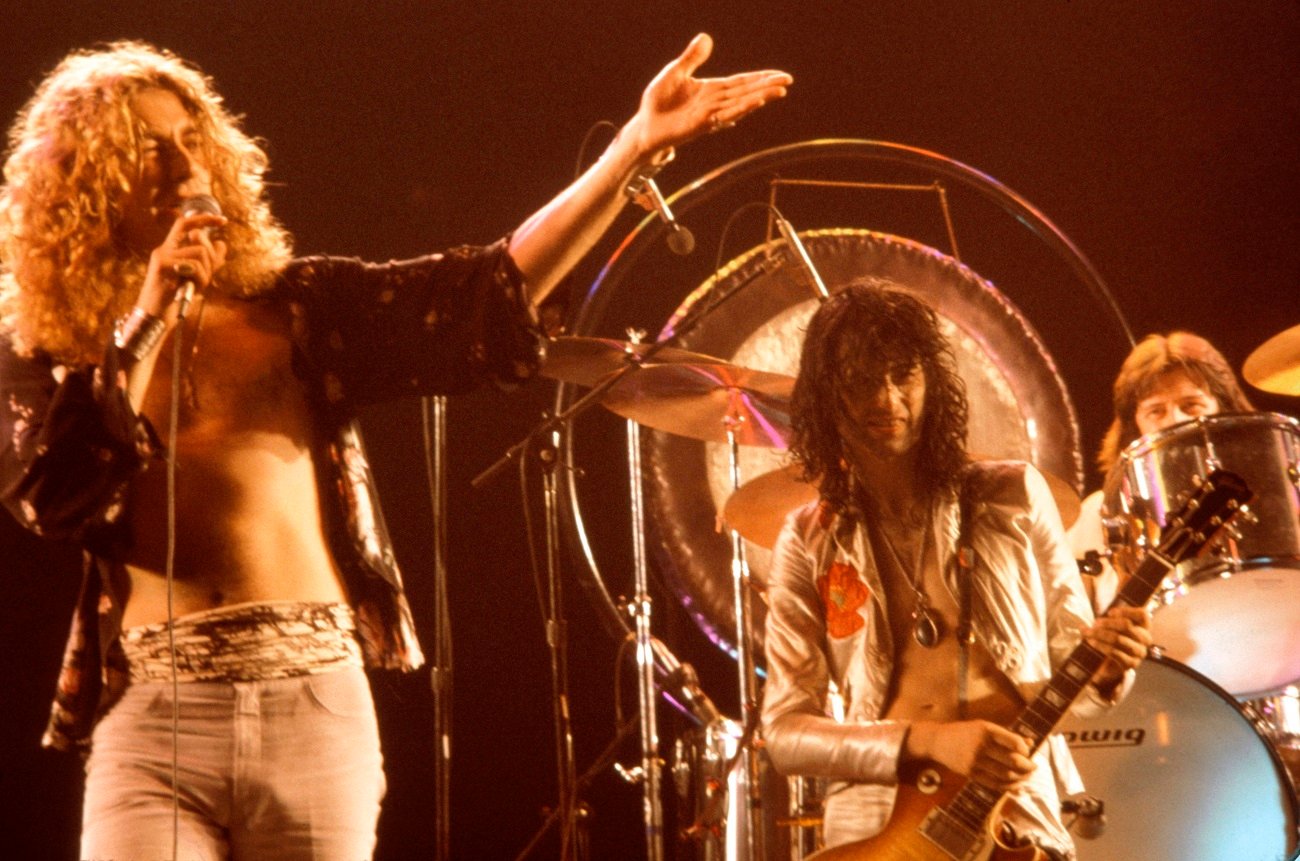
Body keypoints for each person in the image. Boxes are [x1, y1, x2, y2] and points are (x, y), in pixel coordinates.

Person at [0, 36, 790, 860]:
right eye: (145, 148)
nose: (179, 161)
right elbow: (52, 494)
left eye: (188, 136)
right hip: (156, 717)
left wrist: (634, 147)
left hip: (311, 709)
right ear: (85, 185)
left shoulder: (300, 309)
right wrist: (147, 320)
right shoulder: (47, 352)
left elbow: (485, 289)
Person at [759, 281, 1152, 858]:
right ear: (825, 396)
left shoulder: (1013, 494)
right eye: (862, 379)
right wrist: (932, 741)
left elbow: (1078, 684)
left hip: (1014, 818)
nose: (887, 398)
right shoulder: (808, 536)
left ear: (932, 382)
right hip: (879, 830)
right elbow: (786, 734)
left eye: (903, 375)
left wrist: (1110, 670)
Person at [1066, 331, 1255, 609]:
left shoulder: (1276, 498)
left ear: (1224, 412)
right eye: (1156, 411)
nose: (1174, 422)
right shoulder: (1100, 512)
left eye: (1191, 405)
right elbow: (1070, 628)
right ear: (1135, 426)